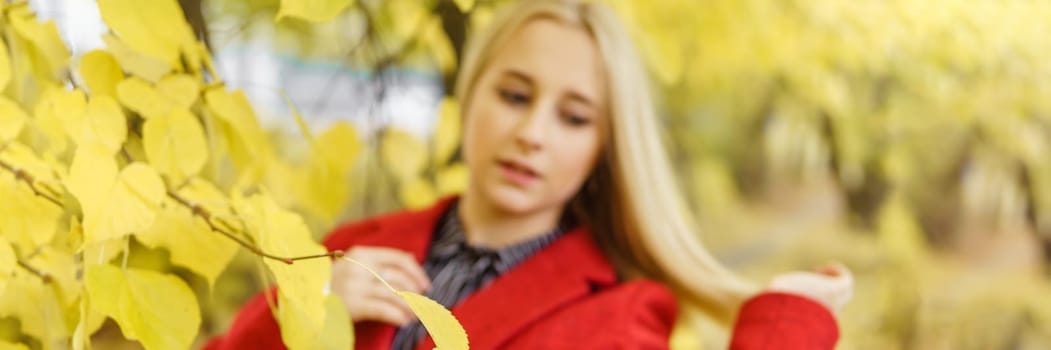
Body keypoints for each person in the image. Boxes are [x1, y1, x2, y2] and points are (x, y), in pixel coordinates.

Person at [205, 0, 853, 349]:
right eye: (514, 96)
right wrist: (291, 316)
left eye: (573, 117)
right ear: (470, 92)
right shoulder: (358, 249)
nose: (531, 134)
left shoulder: (621, 318)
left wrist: (783, 327)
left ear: (603, 147)